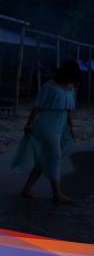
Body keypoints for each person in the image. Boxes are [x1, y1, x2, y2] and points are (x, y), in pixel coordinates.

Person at [11, 60, 80, 204]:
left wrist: (72, 128)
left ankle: (26, 189)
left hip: (61, 126)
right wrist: (29, 123)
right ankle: (58, 194)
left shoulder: (71, 87)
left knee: (44, 160)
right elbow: (37, 106)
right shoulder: (50, 86)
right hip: (46, 124)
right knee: (54, 156)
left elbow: (68, 111)